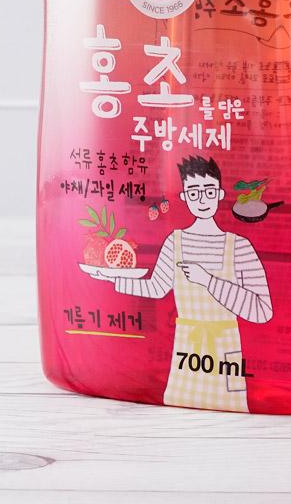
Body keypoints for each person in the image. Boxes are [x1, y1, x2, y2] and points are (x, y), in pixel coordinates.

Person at [90, 155, 272, 412]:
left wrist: (208, 281)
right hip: (187, 349)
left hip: (225, 350)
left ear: (220, 194)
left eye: (209, 191)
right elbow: (157, 287)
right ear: (185, 197)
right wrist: (115, 279)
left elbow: (262, 310)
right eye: (194, 193)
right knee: (179, 403)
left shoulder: (239, 247)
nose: (202, 200)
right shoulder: (175, 242)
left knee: (232, 408)